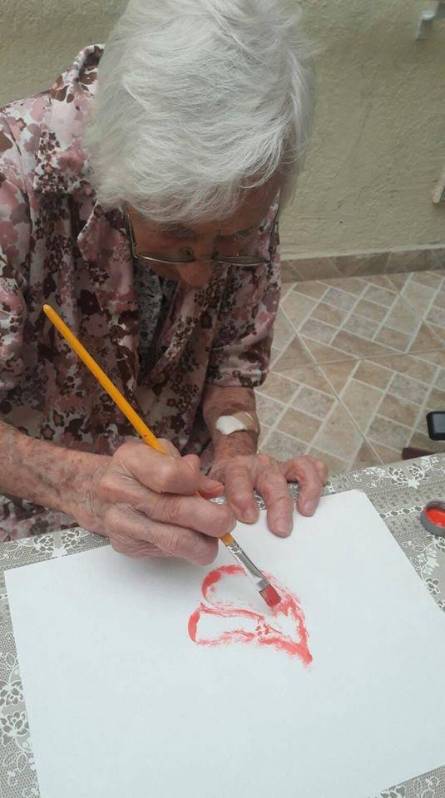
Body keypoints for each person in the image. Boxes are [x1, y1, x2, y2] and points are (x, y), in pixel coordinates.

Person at [0, 0, 327, 562]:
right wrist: (76, 483)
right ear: (115, 178)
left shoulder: (244, 184)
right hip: (37, 515)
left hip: (182, 498)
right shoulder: (14, 181)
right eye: (175, 236)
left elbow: (230, 367)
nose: (201, 274)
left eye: (228, 243)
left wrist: (234, 450)